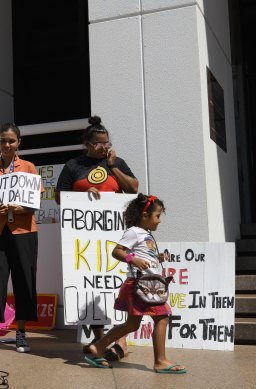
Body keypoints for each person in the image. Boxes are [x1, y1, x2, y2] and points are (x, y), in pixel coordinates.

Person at [55, 115, 138, 360]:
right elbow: (60, 197)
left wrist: (113, 167)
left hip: (113, 234)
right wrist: (82, 195)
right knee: (90, 281)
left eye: (107, 142)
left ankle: (113, 339)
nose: (104, 147)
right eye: (99, 143)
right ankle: (100, 337)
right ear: (88, 144)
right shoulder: (73, 166)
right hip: (86, 238)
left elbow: (133, 188)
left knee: (114, 281)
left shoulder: (117, 162)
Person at [85, 194, 186, 373]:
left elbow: (144, 254)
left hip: (147, 287)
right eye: (157, 216)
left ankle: (99, 347)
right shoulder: (134, 232)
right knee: (161, 318)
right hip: (143, 286)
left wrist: (158, 257)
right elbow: (117, 252)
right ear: (144, 215)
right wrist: (133, 259)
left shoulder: (145, 234)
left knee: (132, 324)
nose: (159, 221)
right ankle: (160, 361)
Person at [0, 123, 41, 354]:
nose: (7, 145)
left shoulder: (29, 167)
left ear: (18, 143)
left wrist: (19, 207)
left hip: (24, 232)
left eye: (11, 141)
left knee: (24, 279)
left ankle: (21, 333)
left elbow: (35, 204)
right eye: (3, 140)